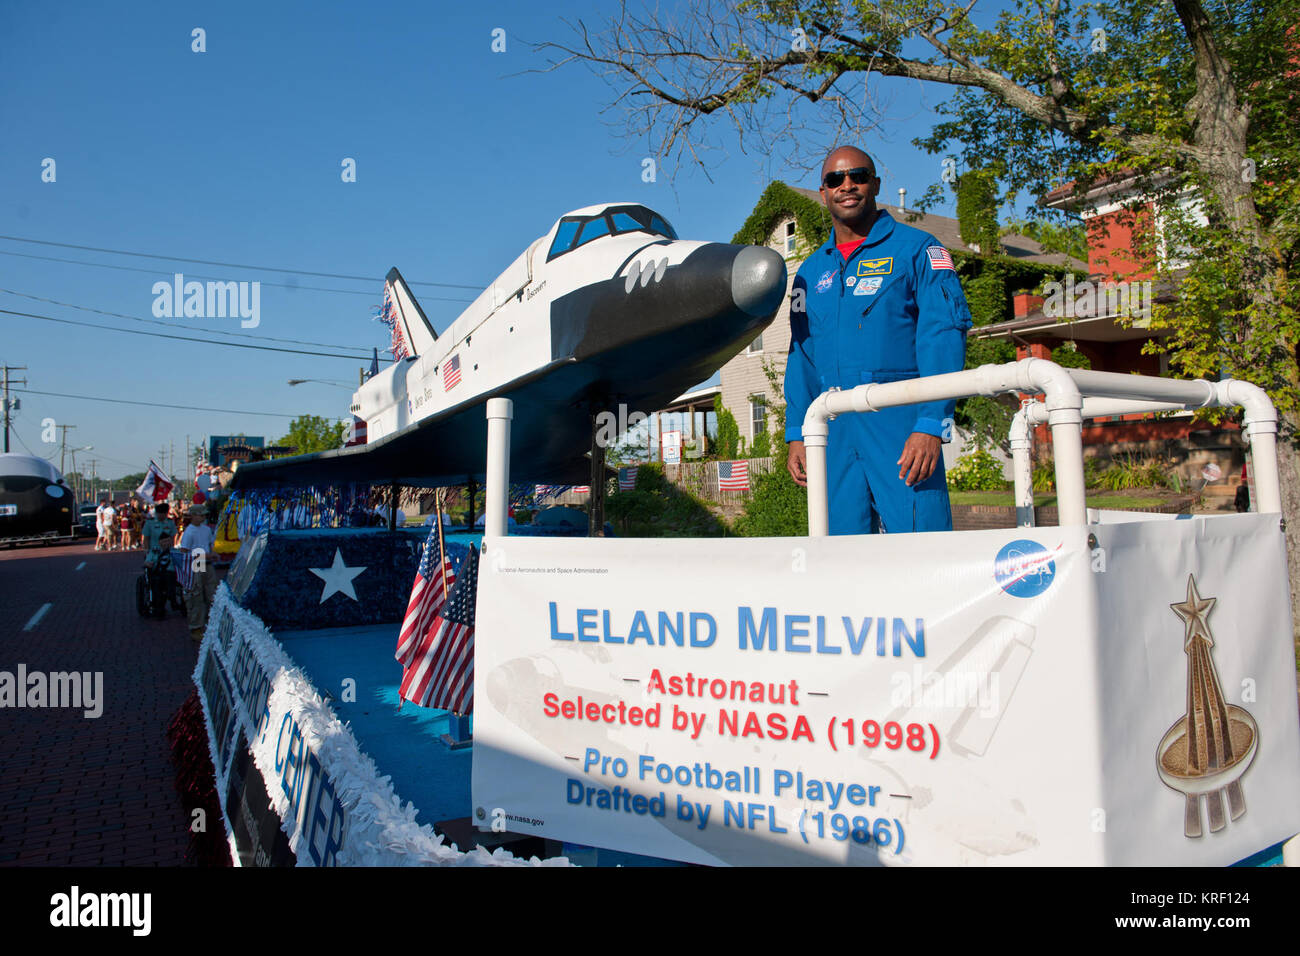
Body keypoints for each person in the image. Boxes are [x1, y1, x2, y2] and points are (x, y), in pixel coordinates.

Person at [784, 146, 972, 534]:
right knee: (841, 556)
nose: (847, 185)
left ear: (876, 184)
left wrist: (930, 423)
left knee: (922, 547)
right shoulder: (810, 271)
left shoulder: (918, 249)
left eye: (858, 176)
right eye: (835, 179)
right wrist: (797, 433)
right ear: (823, 192)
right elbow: (801, 355)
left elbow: (943, 337)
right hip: (833, 429)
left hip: (901, 425)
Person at [179, 503, 217, 642]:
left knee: (211, 593)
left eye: (204, 515)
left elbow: (210, 544)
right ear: (193, 516)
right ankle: (196, 626)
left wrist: (212, 554)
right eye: (201, 515)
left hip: (207, 563)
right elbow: (185, 552)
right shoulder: (189, 532)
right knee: (196, 596)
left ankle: (210, 624)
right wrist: (206, 555)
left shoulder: (206, 530)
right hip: (197, 563)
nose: (203, 517)